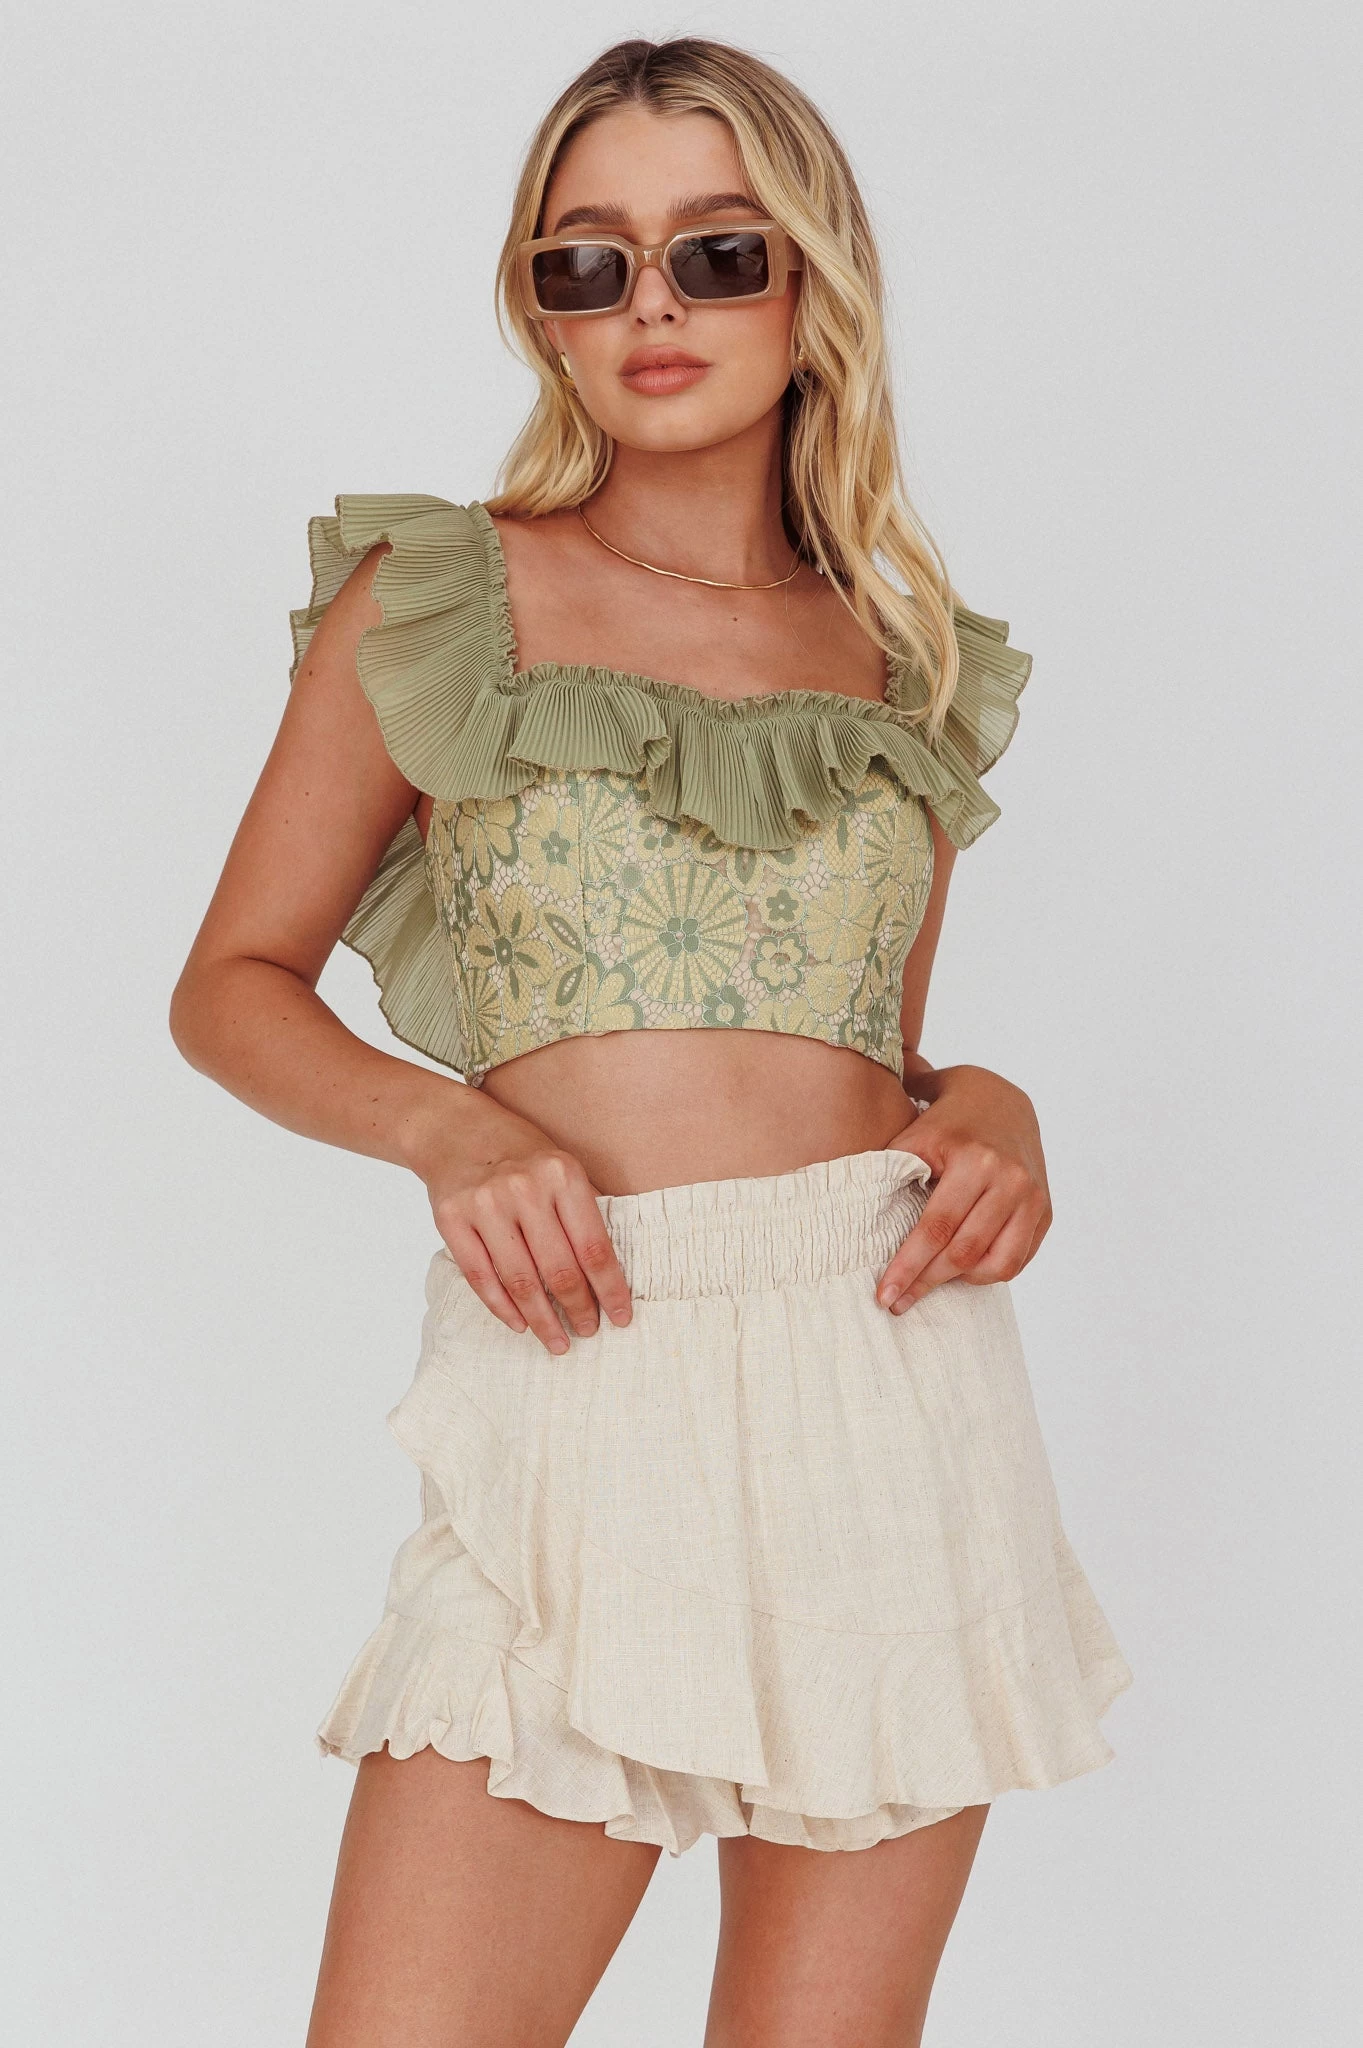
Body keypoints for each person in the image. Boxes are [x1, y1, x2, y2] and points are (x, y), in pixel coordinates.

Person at [170, 35, 1131, 2048]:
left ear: (812, 279)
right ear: (540, 307)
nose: (652, 307)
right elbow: (233, 982)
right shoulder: (445, 595)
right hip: (580, 1364)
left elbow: (863, 1048)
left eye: (715, 251)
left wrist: (991, 1105)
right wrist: (447, 1133)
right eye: (586, 263)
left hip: (886, 1372)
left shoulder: (895, 656)